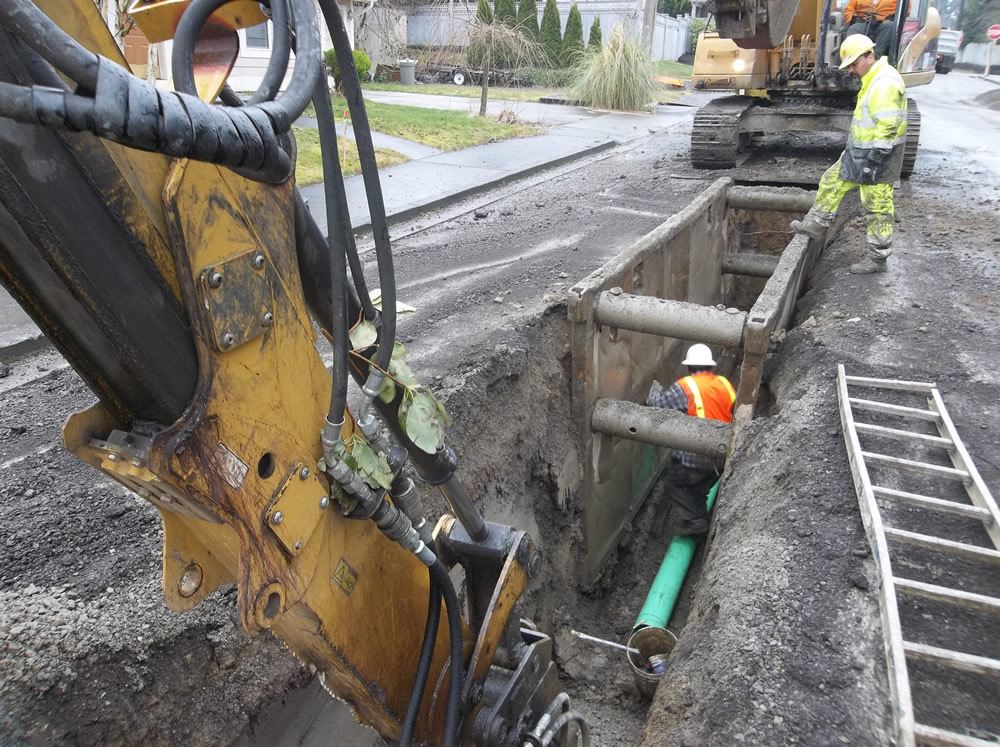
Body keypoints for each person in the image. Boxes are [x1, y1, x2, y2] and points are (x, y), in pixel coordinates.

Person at [790, 34, 907, 274]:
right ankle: (817, 225)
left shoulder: (884, 83)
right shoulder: (873, 79)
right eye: (849, 65)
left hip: (877, 157)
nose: (852, 70)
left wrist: (875, 159)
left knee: (877, 206)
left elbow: (888, 126)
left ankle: (878, 258)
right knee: (831, 181)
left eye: (854, 64)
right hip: (859, 151)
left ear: (870, 56)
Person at [646, 343, 735, 536]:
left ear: (688, 368)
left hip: (698, 456)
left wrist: (653, 390)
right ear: (711, 367)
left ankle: (696, 522)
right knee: (698, 489)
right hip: (722, 454)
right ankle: (700, 517)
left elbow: (659, 405)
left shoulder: (686, 386)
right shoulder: (724, 383)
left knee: (673, 483)